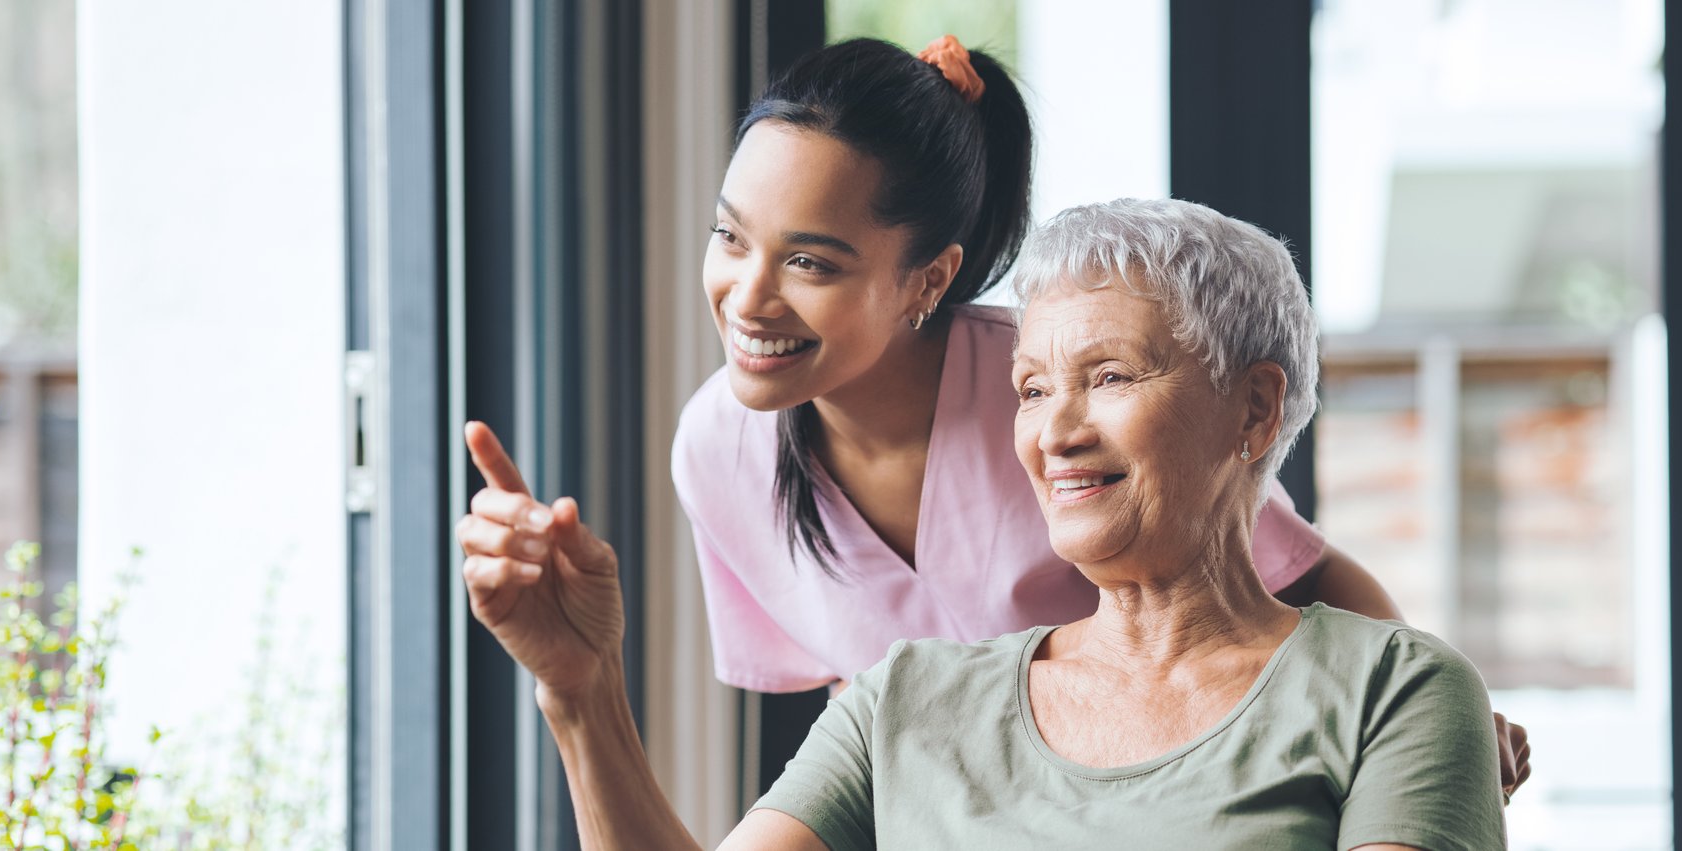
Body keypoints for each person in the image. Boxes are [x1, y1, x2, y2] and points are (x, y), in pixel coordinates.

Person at [455, 198, 1508, 849]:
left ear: (1256, 408)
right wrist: (581, 692)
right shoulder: (904, 699)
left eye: (1108, 375)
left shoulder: (1398, 694)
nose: (1056, 430)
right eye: (1033, 388)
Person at [664, 34, 1529, 794]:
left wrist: (1442, 715)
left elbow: (1304, 570)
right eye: (729, 236)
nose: (747, 297)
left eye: (811, 262)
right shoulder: (714, 453)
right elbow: (845, 699)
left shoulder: (1053, 391)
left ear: (928, 279)